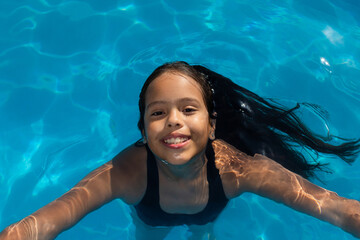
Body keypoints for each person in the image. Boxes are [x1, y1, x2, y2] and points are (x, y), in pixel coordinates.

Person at [1, 61, 360, 240]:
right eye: (158, 113)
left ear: (213, 125)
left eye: (189, 110)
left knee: (202, 230)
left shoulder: (240, 171)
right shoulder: (126, 174)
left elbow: (337, 209)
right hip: (151, 214)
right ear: (143, 129)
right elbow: (47, 221)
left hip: (207, 208)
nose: (174, 121)